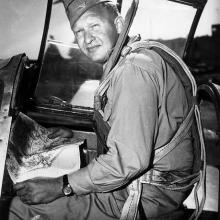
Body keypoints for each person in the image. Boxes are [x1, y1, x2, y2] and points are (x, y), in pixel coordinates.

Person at [9, 0, 197, 219]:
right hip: (147, 183)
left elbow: (127, 161)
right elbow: (127, 136)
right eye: (79, 31)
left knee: (18, 205)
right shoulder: (131, 59)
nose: (86, 39)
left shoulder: (133, 71)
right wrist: (64, 138)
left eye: (94, 26)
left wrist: (60, 186)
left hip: (144, 196)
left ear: (118, 24)